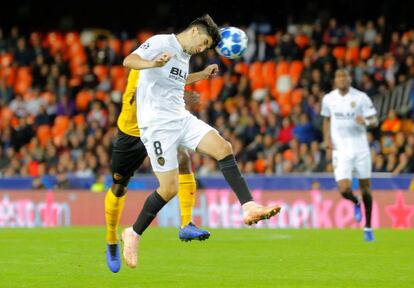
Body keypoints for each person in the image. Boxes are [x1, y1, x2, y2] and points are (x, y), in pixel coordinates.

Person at [121, 14, 281, 268]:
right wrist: (151, 63)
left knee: (223, 147)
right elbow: (129, 60)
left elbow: (176, 81)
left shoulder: (185, 56)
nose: (202, 49)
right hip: (157, 126)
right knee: (169, 188)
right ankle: (133, 232)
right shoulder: (162, 42)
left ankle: (248, 206)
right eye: (204, 43)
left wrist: (202, 74)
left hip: (180, 118)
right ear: (195, 32)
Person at [105, 69, 210, 273]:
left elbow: (175, 80)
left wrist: (201, 75)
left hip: (158, 128)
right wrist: (184, 95)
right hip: (132, 134)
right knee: (119, 187)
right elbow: (140, 96)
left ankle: (186, 223)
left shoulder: (165, 64)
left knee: (183, 158)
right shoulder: (140, 67)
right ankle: (111, 240)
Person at [321, 69, 378, 242]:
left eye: (345, 77)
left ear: (350, 79)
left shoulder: (361, 97)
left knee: (366, 187)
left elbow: (375, 120)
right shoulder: (329, 99)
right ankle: (355, 202)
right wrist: (326, 140)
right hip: (341, 150)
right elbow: (326, 119)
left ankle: (368, 227)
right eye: (339, 77)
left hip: (360, 149)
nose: (342, 79)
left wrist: (366, 122)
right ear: (335, 80)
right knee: (344, 189)